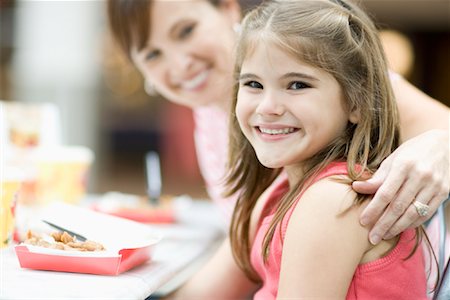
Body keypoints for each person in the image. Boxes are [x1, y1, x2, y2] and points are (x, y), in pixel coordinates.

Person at [107, 0, 450, 244]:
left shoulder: (311, 64)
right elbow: (251, 237)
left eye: (185, 31)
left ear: (227, 8)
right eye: (152, 54)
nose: (180, 63)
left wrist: (436, 149)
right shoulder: (210, 115)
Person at [170, 0, 433, 298]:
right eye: (254, 84)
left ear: (356, 102)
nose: (268, 107)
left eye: (296, 85)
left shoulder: (333, 200)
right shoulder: (283, 188)